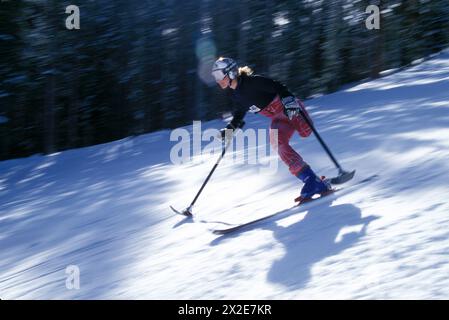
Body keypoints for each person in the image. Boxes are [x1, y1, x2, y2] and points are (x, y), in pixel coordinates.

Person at [211, 57, 331, 202]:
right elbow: (239, 115)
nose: (218, 80)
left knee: (305, 132)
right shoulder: (236, 94)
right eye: (215, 77)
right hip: (279, 118)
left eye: (219, 75)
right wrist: (228, 131)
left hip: (289, 109)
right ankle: (311, 180)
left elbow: (278, 86)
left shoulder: (252, 82)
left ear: (230, 72)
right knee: (276, 142)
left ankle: (316, 182)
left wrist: (289, 101)